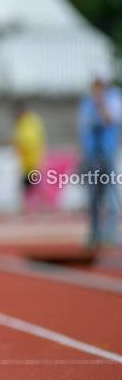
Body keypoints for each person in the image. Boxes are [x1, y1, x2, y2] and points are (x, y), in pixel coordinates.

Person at [78, 66, 121, 247]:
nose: (98, 87)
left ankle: (111, 231)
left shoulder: (114, 98)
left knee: (111, 192)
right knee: (93, 195)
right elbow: (83, 126)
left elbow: (110, 119)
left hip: (107, 152)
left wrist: (100, 103)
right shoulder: (86, 101)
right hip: (91, 154)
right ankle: (95, 231)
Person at [12, 101, 46, 213]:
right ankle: (33, 206)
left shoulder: (28, 123)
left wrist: (19, 145)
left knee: (30, 185)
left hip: (31, 161)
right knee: (30, 186)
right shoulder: (26, 123)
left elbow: (28, 142)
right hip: (28, 161)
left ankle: (34, 207)